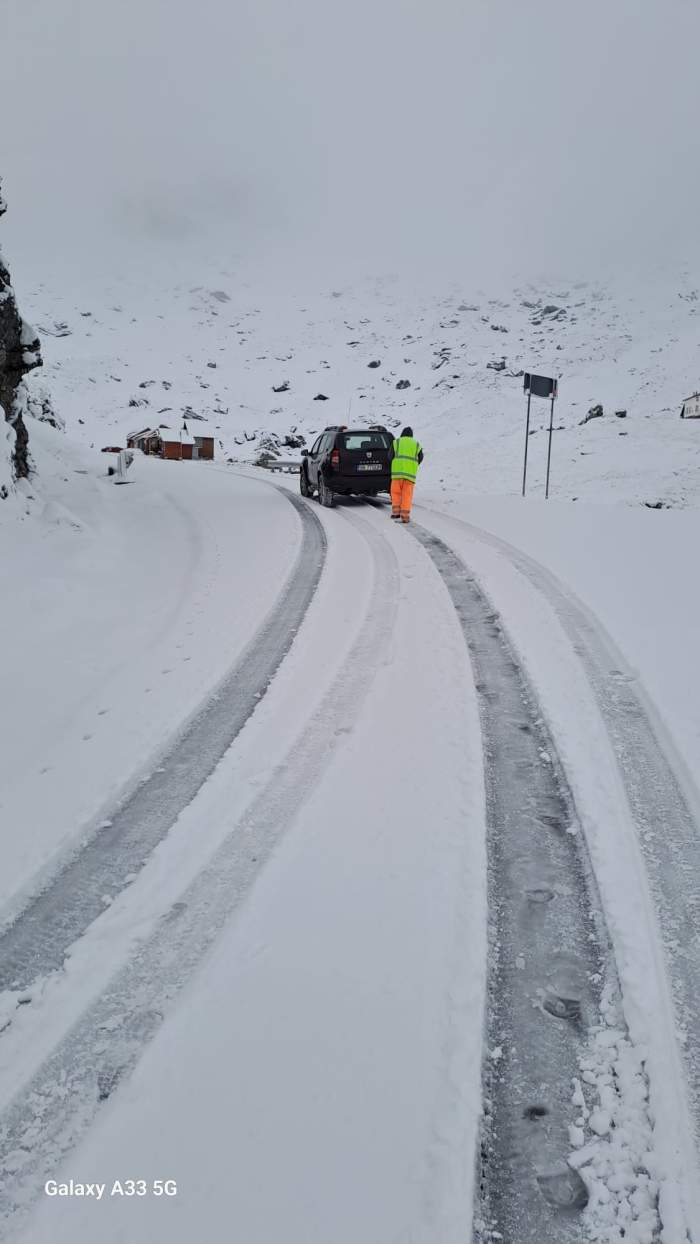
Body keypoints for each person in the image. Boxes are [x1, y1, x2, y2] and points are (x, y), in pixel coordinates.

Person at [390, 426, 424, 523]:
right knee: (407, 495)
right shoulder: (416, 444)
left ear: (402, 433)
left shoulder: (397, 442)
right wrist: (413, 464)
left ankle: (396, 513)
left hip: (397, 474)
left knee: (395, 493)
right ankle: (405, 516)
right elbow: (420, 457)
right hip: (409, 475)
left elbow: (390, 456)